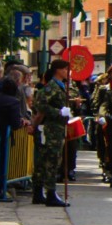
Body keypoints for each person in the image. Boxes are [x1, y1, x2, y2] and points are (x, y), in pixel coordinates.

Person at [29, 60, 72, 207]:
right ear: (57, 70)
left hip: (57, 128)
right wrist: (58, 112)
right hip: (51, 129)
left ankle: (39, 192)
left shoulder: (61, 86)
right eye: (65, 69)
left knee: (47, 160)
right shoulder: (52, 86)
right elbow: (40, 104)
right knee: (51, 161)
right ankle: (50, 193)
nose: (67, 72)